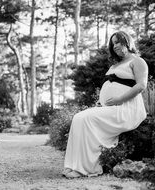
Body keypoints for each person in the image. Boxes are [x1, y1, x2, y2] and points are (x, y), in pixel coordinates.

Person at [62, 31, 148, 178]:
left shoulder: (137, 61)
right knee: (78, 118)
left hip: (126, 108)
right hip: (112, 107)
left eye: (118, 42)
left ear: (127, 42)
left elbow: (141, 86)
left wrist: (119, 99)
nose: (115, 46)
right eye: (113, 43)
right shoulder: (117, 64)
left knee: (85, 119)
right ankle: (73, 165)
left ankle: (86, 169)